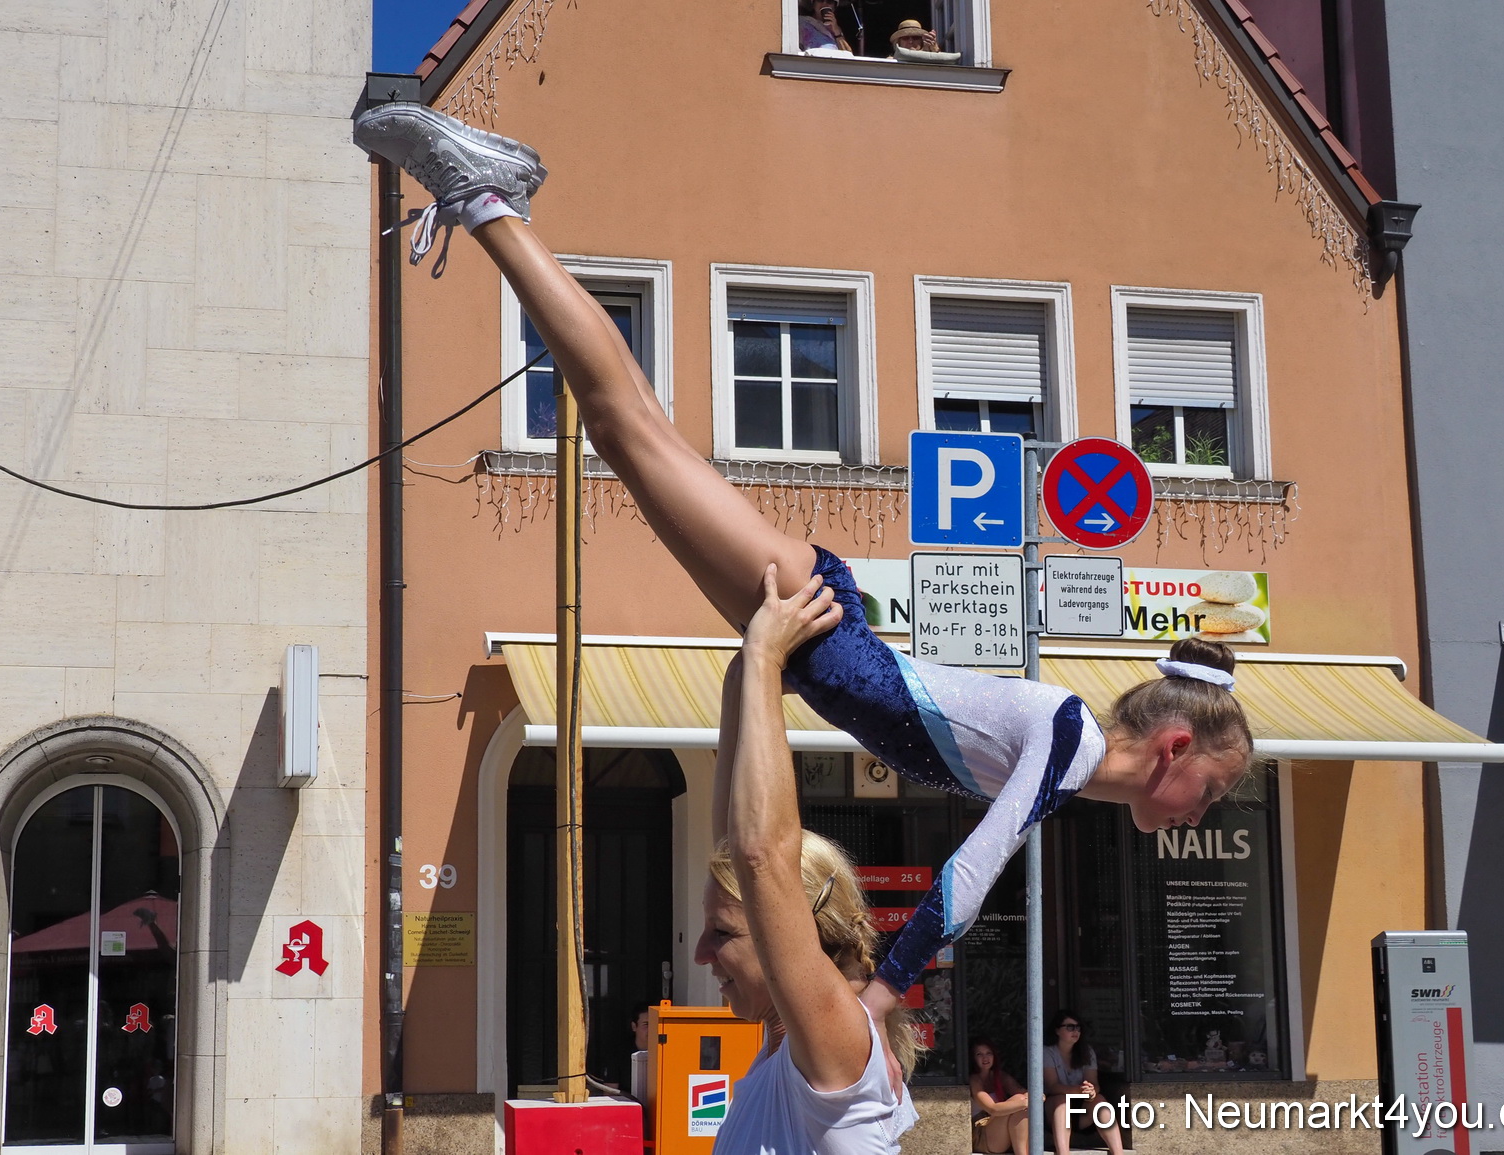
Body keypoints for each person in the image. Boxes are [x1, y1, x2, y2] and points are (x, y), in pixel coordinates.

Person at [350, 102, 1255, 1030]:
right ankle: (489, 196)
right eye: (1213, 791)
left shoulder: (1068, 761)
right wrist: (871, 997)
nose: (1201, 812)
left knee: (634, 431)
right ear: (1174, 749)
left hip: (817, 633)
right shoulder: (1067, 742)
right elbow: (968, 879)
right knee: (625, 425)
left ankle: (495, 198)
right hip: (819, 623)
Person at [697, 566, 919, 1153]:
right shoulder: (784, 1051)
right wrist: (745, 674)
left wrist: (767, 662)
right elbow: (736, 842)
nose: (700, 953)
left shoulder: (836, 1044)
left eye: (721, 932)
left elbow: (761, 854)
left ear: (788, 929)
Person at [1043, 1011, 1122, 1155]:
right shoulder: (1047, 1052)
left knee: (1100, 1101)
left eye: (1078, 1028)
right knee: (1061, 1101)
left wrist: (1092, 1091)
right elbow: (1052, 1086)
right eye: (1070, 1027)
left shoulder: (1086, 1051)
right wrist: (1079, 1090)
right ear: (1057, 1030)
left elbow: (1094, 1083)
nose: (1075, 1031)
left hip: (1082, 1112)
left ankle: (1118, 1152)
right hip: (1054, 1111)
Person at [969, 1037, 1030, 1155]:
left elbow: (1024, 1092)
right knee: (1020, 1101)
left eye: (988, 1053)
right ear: (973, 1058)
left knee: (1021, 1100)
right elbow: (993, 1109)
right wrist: (1025, 1102)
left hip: (1001, 1135)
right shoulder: (974, 1080)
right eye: (979, 1054)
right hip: (982, 1135)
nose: (985, 1058)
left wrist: (1034, 1097)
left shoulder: (1000, 1076)